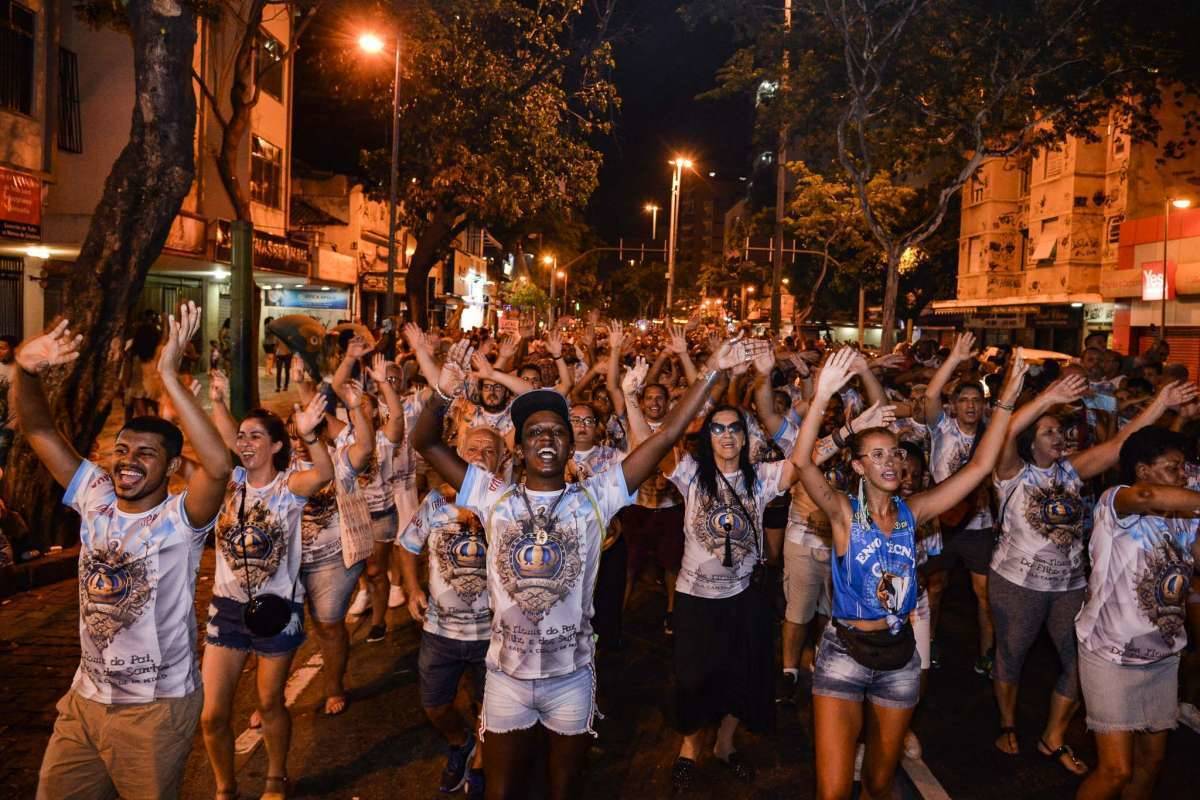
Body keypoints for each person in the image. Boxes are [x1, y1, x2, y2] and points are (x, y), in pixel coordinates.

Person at [411, 332, 746, 800]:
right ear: (520, 447)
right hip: (506, 679)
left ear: (570, 445)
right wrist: (443, 390)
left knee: (564, 788)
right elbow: (424, 440)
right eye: (534, 432)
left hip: (570, 678)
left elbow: (667, 433)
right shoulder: (492, 496)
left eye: (556, 431)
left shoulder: (595, 496)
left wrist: (714, 366)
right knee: (501, 790)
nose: (545, 438)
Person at [794, 346, 1026, 800]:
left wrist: (1007, 400)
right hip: (844, 654)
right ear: (859, 467)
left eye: (895, 454)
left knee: (880, 784)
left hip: (899, 658)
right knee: (833, 791)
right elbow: (802, 463)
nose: (890, 461)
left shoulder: (913, 512)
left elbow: (979, 467)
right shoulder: (843, 514)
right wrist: (821, 396)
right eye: (876, 455)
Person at [19, 307, 233, 800]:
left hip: (154, 710)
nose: (127, 462)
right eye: (121, 449)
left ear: (173, 466)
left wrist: (167, 376)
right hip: (83, 703)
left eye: (145, 454)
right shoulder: (93, 493)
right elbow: (39, 432)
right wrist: (27, 373)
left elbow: (219, 467)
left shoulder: (181, 521)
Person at [990, 374, 1195, 774]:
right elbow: (1005, 432)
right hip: (1018, 583)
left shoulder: (1070, 471)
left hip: (1069, 584)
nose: (1060, 437)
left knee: (1076, 662)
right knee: (1012, 655)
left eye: (1061, 430)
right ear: (1030, 441)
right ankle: (1007, 722)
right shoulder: (1012, 473)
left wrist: (1161, 401)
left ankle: (1053, 736)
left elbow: (1121, 446)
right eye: (1049, 432)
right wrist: (1048, 395)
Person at [200, 391, 333, 800]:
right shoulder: (229, 482)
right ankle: (225, 787)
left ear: (276, 445)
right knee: (211, 715)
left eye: (256, 437)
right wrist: (218, 402)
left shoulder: (288, 487)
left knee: (269, 700)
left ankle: (276, 776)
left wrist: (311, 436)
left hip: (277, 611)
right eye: (242, 437)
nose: (245, 443)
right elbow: (223, 438)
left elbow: (323, 473)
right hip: (227, 609)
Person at [1074, 427, 1200, 800]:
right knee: (1115, 771)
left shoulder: (1184, 517)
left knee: (1152, 763)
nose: (1183, 476)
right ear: (1143, 470)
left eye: (1184, 468)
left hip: (1162, 655)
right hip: (1111, 654)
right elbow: (1147, 496)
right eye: (1173, 468)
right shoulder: (1117, 504)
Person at [398, 426, 505, 799]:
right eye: (471, 448)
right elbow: (408, 545)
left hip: (494, 636)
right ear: (457, 454)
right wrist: (411, 589)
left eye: (489, 450)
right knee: (435, 706)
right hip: (439, 633)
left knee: (492, 710)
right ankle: (460, 743)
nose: (478, 454)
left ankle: (479, 767)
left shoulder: (510, 506)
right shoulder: (435, 503)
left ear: (502, 459)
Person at [915, 331, 998, 677]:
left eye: (975, 400)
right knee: (934, 587)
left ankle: (987, 653)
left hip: (979, 526)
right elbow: (931, 394)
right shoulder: (942, 429)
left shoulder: (992, 434)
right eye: (963, 399)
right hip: (940, 524)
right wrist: (955, 358)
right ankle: (927, 644)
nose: (969, 405)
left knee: (984, 593)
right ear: (955, 405)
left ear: (983, 405)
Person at [332, 343, 406, 643]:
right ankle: (363, 594)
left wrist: (383, 383)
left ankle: (378, 620)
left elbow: (398, 418)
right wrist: (349, 357)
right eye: (353, 403)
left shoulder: (384, 438)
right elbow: (337, 385)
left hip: (380, 515)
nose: (357, 405)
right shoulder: (342, 433)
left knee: (377, 569)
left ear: (375, 410)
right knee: (358, 566)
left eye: (364, 403)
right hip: (351, 514)